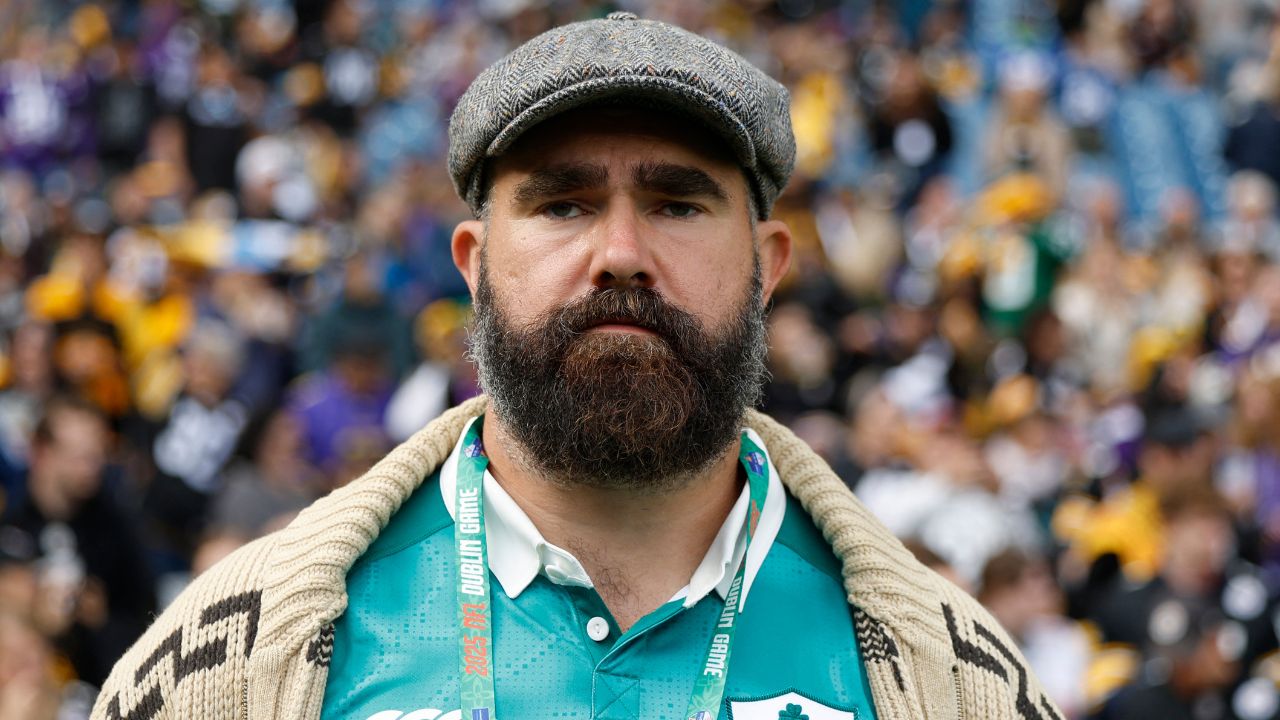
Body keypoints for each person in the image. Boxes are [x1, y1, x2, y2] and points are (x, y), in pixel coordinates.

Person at [94, 13, 1062, 720]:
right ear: (474, 267)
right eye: (562, 204)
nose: (620, 251)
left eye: (678, 204)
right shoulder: (226, 662)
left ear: (766, 269)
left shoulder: (957, 679)